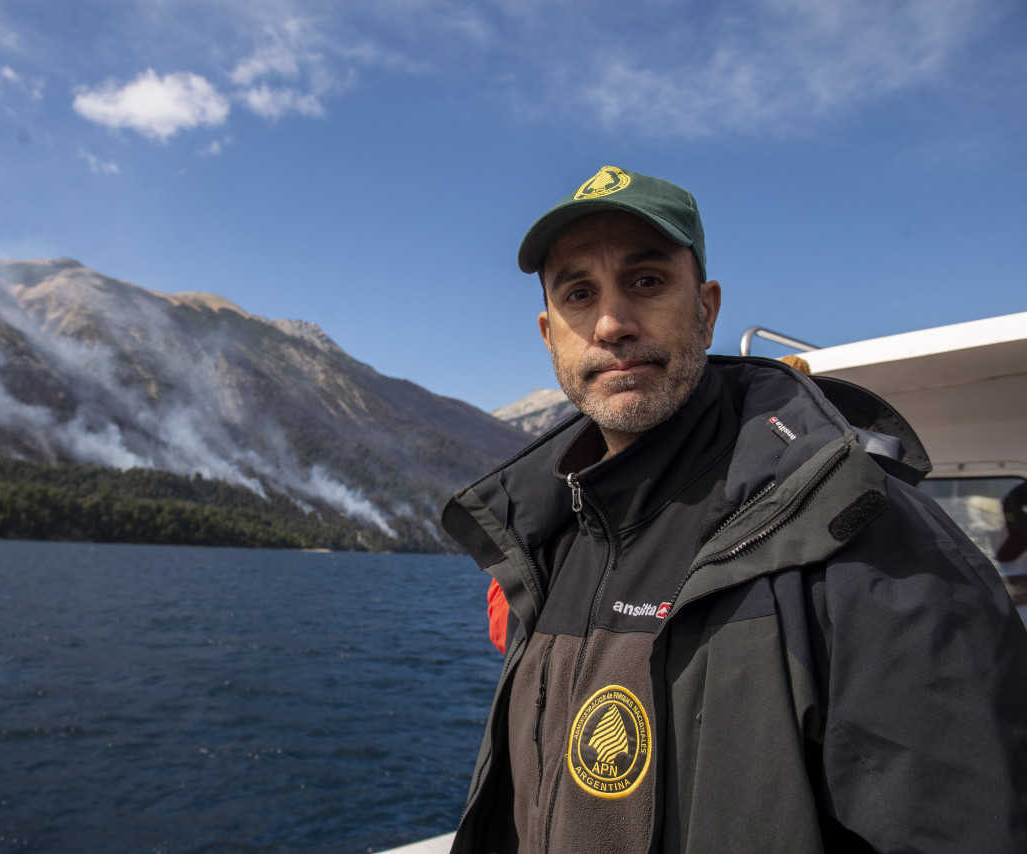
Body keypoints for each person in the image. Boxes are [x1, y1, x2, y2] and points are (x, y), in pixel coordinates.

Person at [440, 165, 1027, 853]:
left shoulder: (866, 535)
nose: (611, 323)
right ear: (549, 333)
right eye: (578, 293)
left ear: (707, 307)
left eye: (648, 281)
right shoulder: (547, 539)